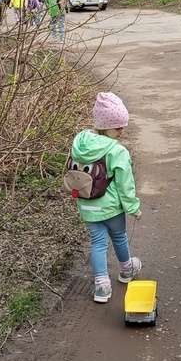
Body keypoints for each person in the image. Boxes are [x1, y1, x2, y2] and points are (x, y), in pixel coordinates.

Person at [69, 92, 143, 303]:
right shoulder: (116, 151)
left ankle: (101, 286)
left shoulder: (81, 142)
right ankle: (127, 270)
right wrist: (133, 208)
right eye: (117, 126)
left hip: (87, 204)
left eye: (123, 126)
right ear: (104, 124)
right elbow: (125, 184)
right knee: (118, 237)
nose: (121, 130)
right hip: (111, 207)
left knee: (98, 243)